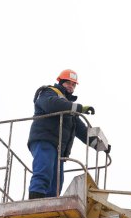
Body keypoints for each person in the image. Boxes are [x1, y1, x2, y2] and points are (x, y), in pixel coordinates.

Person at [27, 69, 96, 199]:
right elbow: (52, 104)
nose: (71, 86)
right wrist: (79, 107)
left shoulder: (68, 108)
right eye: (68, 83)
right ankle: (35, 202)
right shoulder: (48, 92)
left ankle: (50, 207)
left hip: (58, 149)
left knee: (57, 183)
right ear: (61, 82)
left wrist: (98, 144)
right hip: (45, 140)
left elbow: (81, 130)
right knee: (44, 171)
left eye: (73, 84)